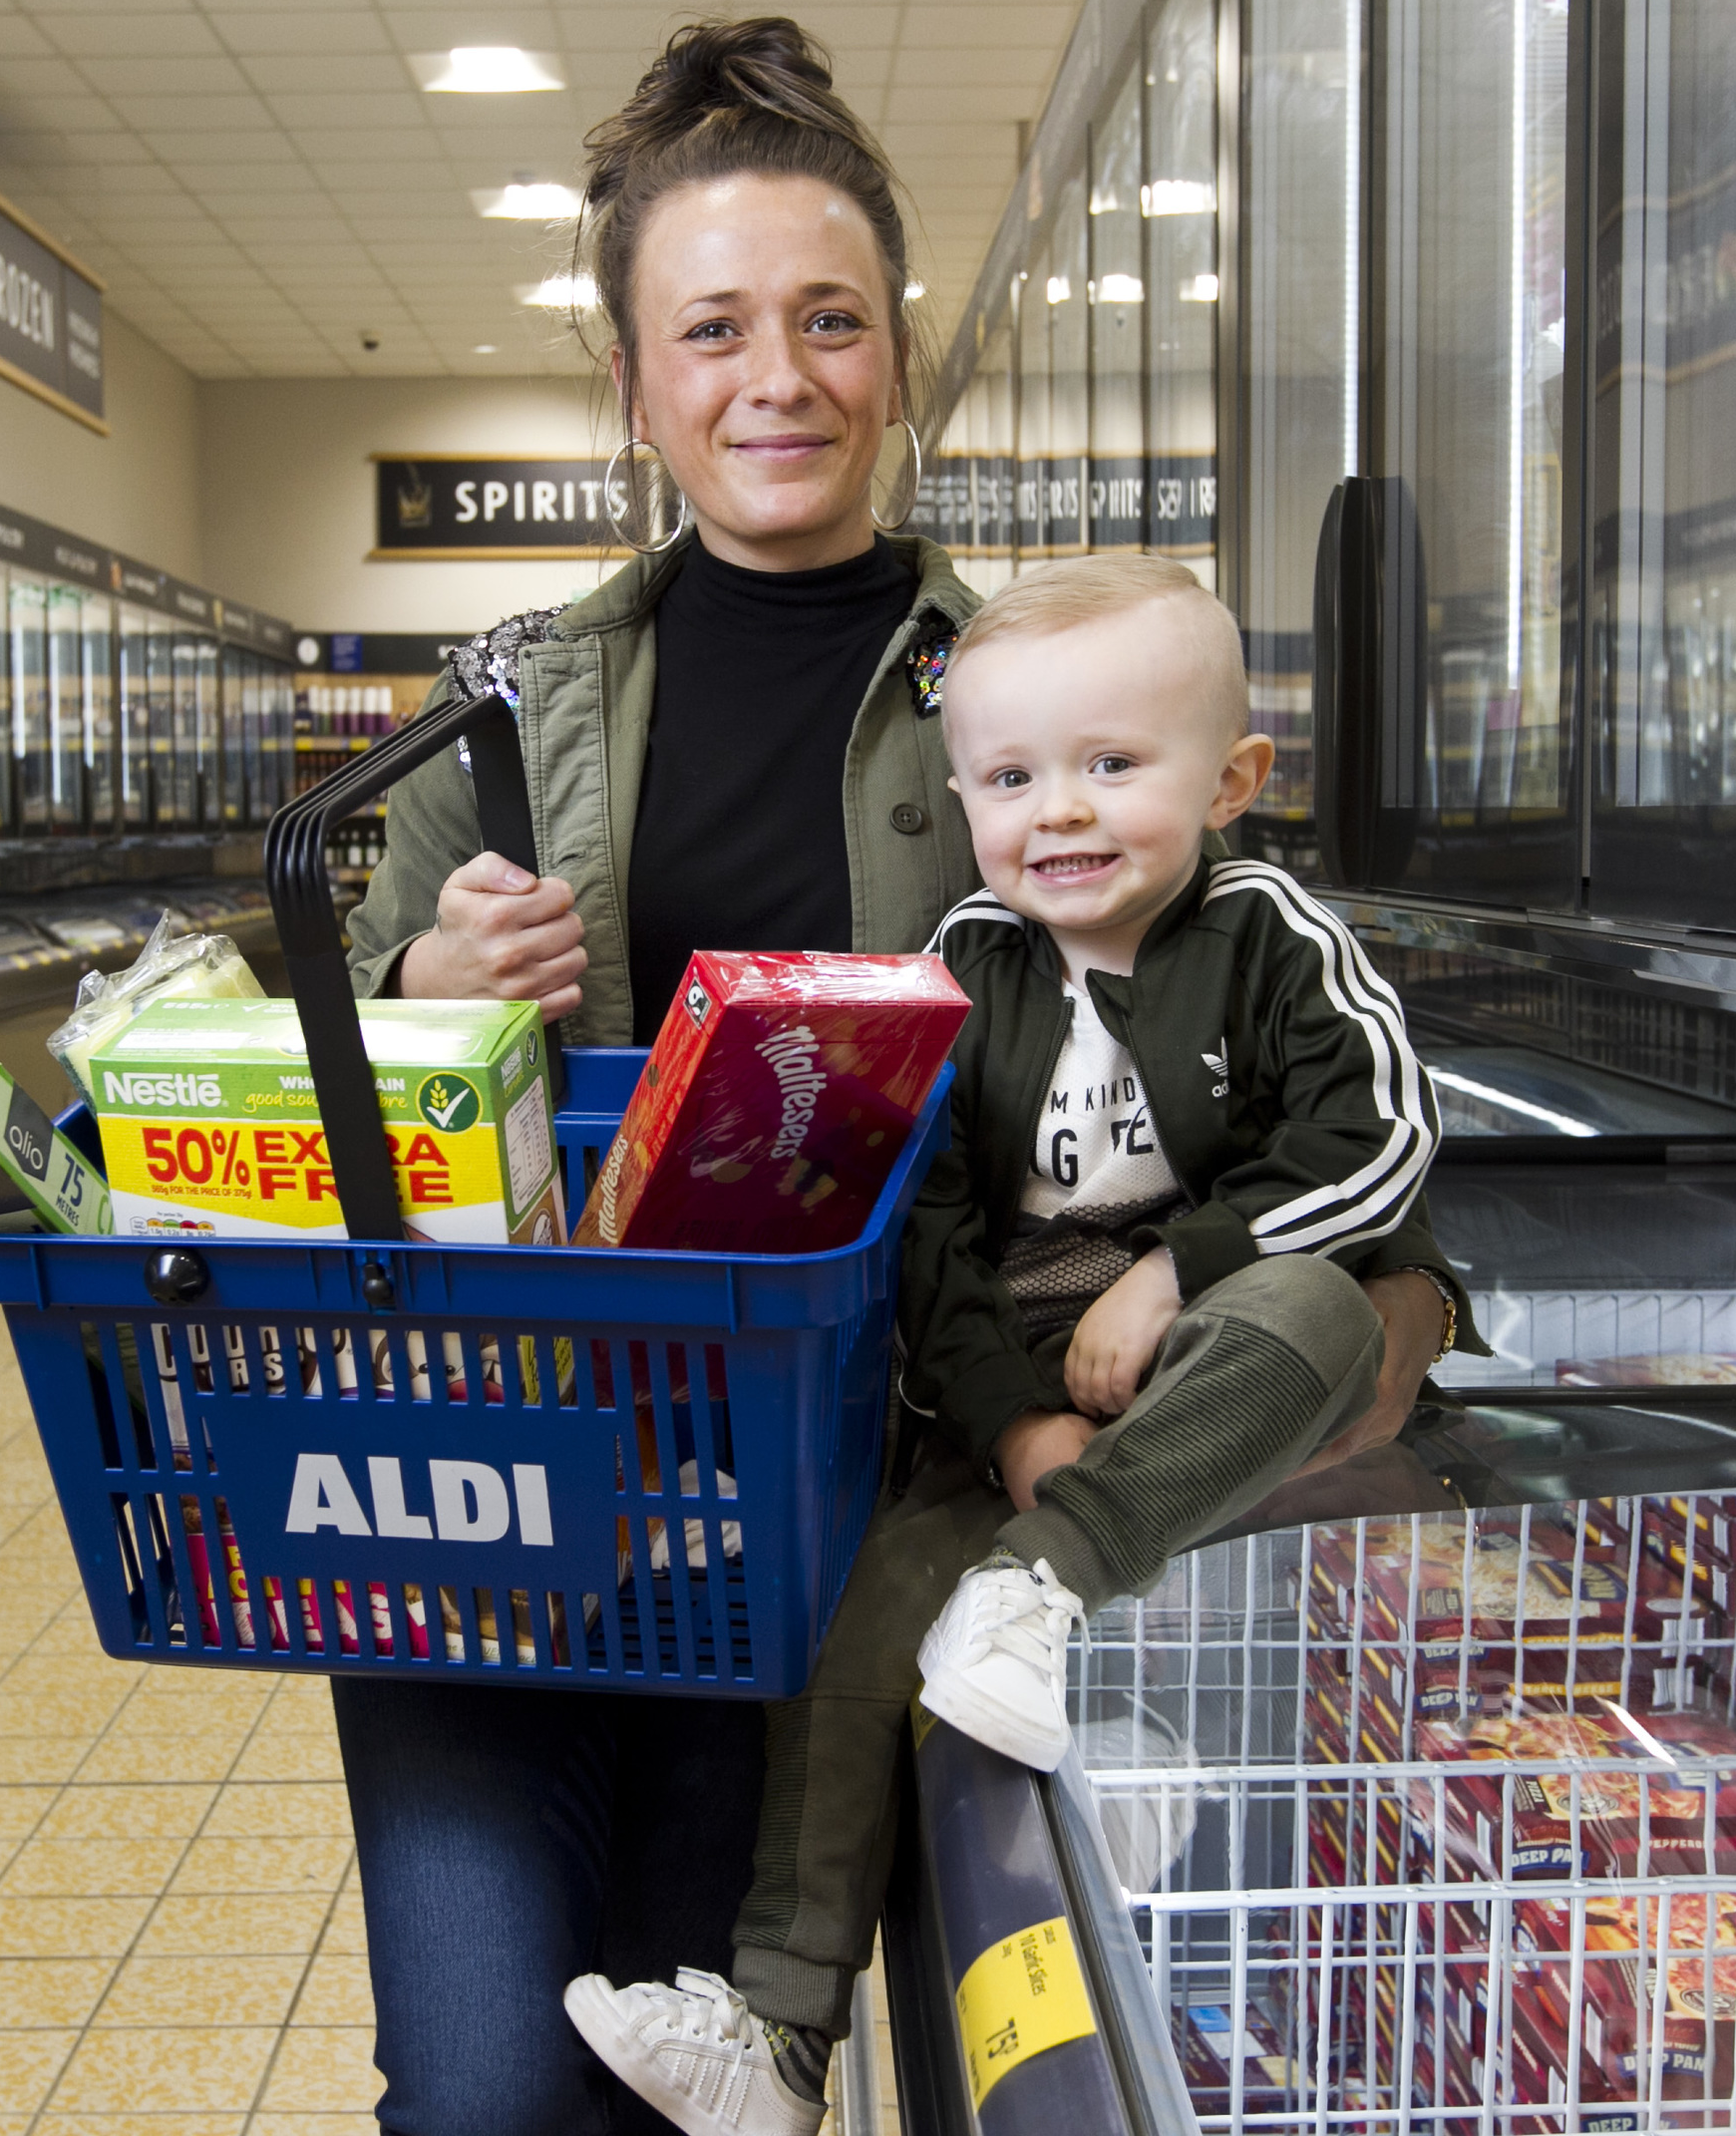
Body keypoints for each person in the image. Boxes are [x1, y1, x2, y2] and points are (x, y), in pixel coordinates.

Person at [564, 556, 1480, 2136]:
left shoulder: (1272, 936)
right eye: (1010, 777)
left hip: (1230, 1344)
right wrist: (1005, 1423)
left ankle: (1044, 1580)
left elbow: (1381, 1134)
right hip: (1017, 1373)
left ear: (1233, 780)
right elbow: (921, 1224)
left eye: (1112, 766)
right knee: (856, 1624)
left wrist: (1180, 1274)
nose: (1057, 812)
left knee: (1318, 1305)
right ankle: (776, 2037)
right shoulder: (963, 968)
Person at [325, 21, 980, 2136]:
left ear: (897, 352)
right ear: (634, 381)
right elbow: (315, 1075)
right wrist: (429, 980)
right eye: (710, 329)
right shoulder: (502, 710)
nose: (773, 379)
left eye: (828, 321)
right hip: (484, 1487)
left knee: (695, 2090)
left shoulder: (1023, 697)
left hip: (805, 1512)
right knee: (489, 2091)